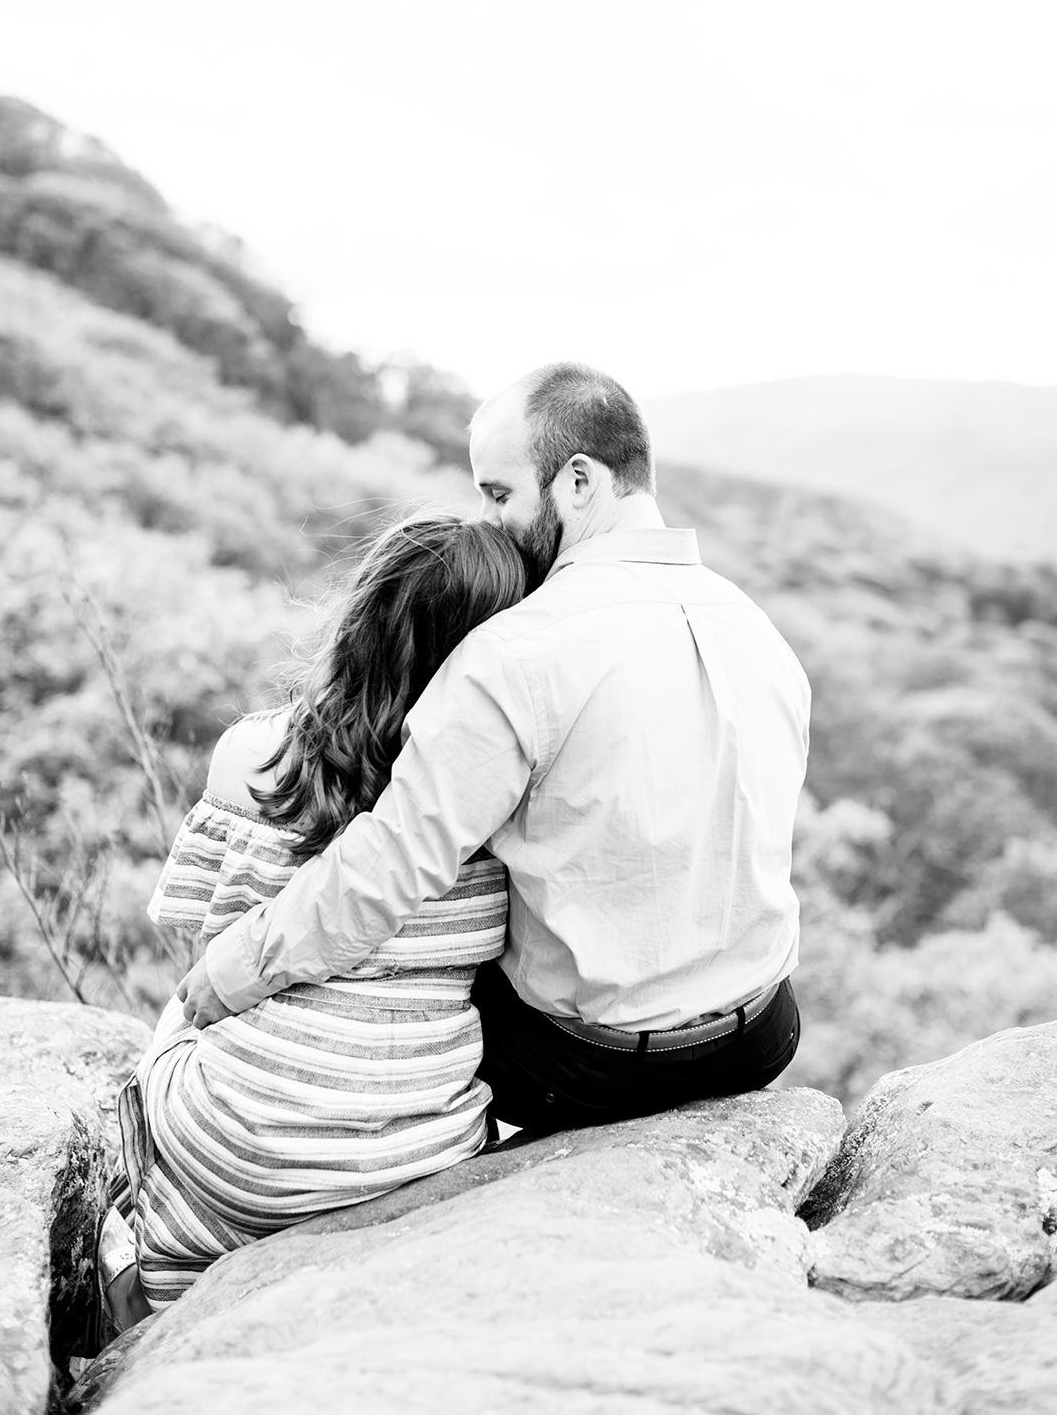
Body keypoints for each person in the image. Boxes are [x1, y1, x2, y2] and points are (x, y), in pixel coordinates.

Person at [178, 362, 811, 1140]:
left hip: (590, 1066)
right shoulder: (760, 631)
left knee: (426, 956)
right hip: (760, 1037)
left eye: (499, 492)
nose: (488, 518)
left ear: (578, 481)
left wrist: (232, 969)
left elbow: (388, 866)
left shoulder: (515, 651)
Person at [94, 515, 526, 1335]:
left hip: (233, 1138)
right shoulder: (501, 798)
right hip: (413, 1154)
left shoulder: (253, 755)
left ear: (364, 614)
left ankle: (157, 1276)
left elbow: (204, 949)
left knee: (172, 1029)